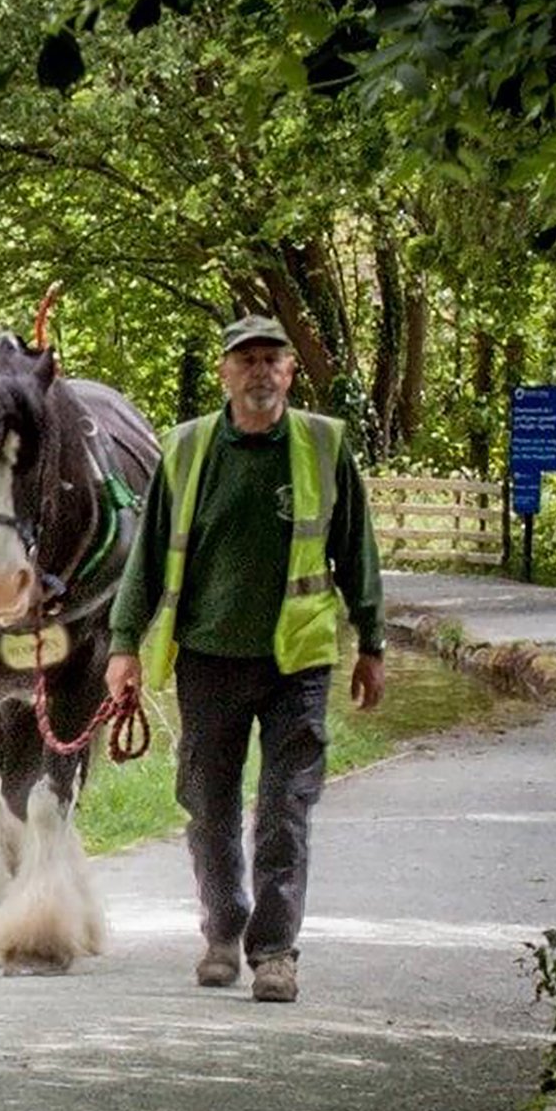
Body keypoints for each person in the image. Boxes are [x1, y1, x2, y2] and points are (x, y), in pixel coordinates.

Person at [105, 313, 386, 1005]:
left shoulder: (323, 445)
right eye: (246, 360)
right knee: (209, 804)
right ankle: (222, 931)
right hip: (207, 654)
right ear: (226, 373)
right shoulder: (188, 449)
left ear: (290, 372)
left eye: (272, 360)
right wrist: (123, 645)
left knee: (285, 805)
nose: (260, 372)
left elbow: (357, 550)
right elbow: (146, 559)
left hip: (299, 660)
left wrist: (373, 644)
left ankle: (275, 951)